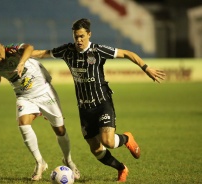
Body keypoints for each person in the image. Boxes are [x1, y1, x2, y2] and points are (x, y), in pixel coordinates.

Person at [28, 18, 166, 182]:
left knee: (108, 141)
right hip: (84, 109)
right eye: (76, 36)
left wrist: (146, 68)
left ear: (89, 34)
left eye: (81, 36)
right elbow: (43, 53)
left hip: (102, 103)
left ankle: (127, 138)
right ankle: (121, 168)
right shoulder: (67, 51)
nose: (78, 40)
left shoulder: (98, 50)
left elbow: (128, 53)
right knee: (96, 149)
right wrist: (19, 54)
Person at [0, 39, 80, 181]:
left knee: (60, 130)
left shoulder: (13, 50)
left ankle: (68, 160)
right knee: (23, 124)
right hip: (24, 96)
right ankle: (40, 162)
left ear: (2, 47)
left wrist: (21, 62)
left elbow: (29, 47)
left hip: (44, 92)